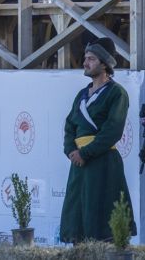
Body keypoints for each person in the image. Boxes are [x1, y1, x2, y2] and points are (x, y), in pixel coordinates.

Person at [60, 37, 136, 243]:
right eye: (85, 58)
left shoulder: (116, 93)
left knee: (102, 220)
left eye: (91, 59)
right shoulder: (82, 95)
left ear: (104, 64)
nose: (85, 62)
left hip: (103, 163)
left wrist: (85, 153)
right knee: (78, 215)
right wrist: (71, 151)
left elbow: (112, 131)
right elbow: (69, 127)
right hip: (79, 164)